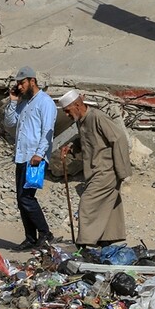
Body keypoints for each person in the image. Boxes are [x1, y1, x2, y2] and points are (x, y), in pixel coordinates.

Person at [58, 89, 131, 248]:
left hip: (106, 171)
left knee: (87, 204)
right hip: (93, 171)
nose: (67, 115)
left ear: (77, 105)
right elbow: (86, 140)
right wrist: (71, 147)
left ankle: (85, 244)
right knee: (107, 204)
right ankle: (108, 239)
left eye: (68, 111)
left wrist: (122, 171)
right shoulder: (80, 120)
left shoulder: (97, 117)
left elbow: (119, 138)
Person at [2, 66, 56, 250]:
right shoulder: (24, 102)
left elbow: (48, 130)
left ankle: (45, 233)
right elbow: (10, 122)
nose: (20, 86)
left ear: (32, 81)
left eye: (22, 83)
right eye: (18, 83)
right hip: (22, 156)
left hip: (34, 158)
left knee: (27, 197)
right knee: (21, 199)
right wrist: (13, 101)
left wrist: (40, 153)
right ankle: (31, 238)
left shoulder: (45, 102)